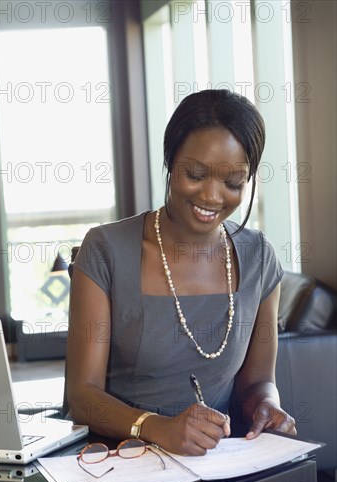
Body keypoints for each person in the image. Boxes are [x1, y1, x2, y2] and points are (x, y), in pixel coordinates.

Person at [66, 89, 296, 456]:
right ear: (171, 162)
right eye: (195, 174)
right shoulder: (106, 250)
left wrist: (265, 406)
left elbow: (257, 381)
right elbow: (81, 396)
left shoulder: (258, 259)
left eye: (233, 183)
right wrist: (158, 428)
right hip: (116, 462)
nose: (212, 196)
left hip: (215, 464)